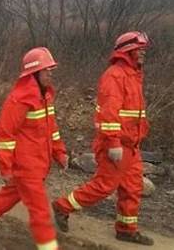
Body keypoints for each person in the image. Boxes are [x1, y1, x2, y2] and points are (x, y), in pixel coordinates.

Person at [52, 31, 154, 246]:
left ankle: (126, 229)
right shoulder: (115, 75)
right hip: (116, 145)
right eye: (140, 49)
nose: (143, 53)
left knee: (132, 187)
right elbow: (109, 113)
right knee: (104, 186)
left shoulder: (133, 75)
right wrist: (114, 143)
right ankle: (62, 206)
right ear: (128, 51)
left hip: (131, 145)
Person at [0, 47, 68, 250]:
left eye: (51, 70)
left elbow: (51, 129)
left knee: (11, 194)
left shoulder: (45, 96)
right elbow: (4, 135)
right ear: (34, 72)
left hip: (39, 163)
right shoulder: (20, 99)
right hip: (26, 166)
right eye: (47, 70)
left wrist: (59, 152)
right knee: (40, 210)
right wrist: (5, 167)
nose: (51, 74)